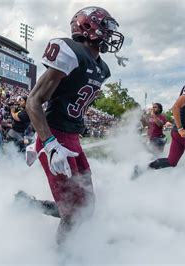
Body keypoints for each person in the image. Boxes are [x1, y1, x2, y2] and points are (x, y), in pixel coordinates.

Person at [25, 6, 124, 244]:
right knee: (71, 213)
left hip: (72, 139)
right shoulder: (70, 51)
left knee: (86, 208)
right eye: (105, 27)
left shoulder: (102, 68)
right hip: (55, 138)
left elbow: (75, 99)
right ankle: (61, 257)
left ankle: (28, 204)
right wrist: (46, 142)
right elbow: (34, 101)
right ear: (87, 27)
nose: (110, 34)